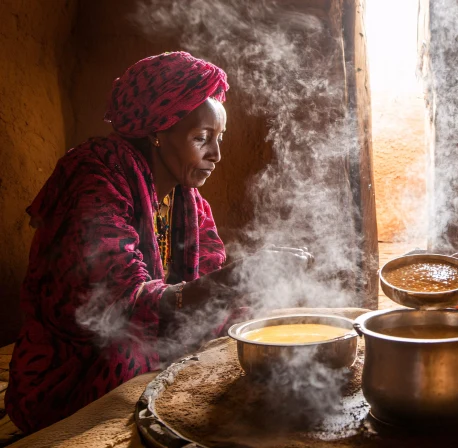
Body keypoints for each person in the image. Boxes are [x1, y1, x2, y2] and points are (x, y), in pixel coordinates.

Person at [3, 52, 312, 434]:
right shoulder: (97, 178)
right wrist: (234, 280)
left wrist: (254, 299)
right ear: (157, 130)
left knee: (247, 330)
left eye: (219, 139)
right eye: (201, 139)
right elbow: (116, 308)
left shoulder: (188, 200)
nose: (215, 154)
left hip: (151, 337)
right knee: (132, 351)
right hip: (74, 366)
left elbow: (210, 284)